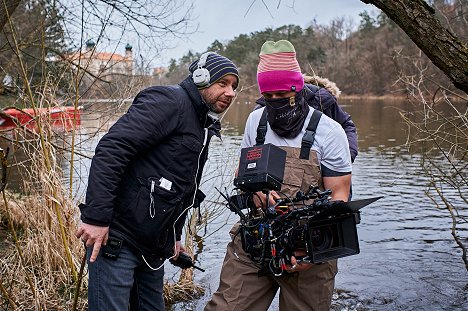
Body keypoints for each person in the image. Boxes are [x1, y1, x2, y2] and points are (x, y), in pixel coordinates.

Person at [75, 52, 239, 310]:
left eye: (233, 87)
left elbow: (183, 189)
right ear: (200, 79)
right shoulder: (169, 101)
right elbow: (113, 149)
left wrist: (173, 236)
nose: (230, 92)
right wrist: (96, 218)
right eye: (223, 83)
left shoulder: (201, 123)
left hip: (153, 246)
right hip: (119, 236)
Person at [205, 40, 352, 311]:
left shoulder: (330, 132)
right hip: (256, 240)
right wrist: (256, 192)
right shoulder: (255, 121)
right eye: (268, 96)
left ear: (298, 89)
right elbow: (243, 171)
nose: (275, 103)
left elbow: (340, 195)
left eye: (282, 95)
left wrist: (314, 250)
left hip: (309, 249)